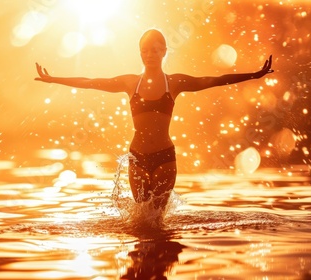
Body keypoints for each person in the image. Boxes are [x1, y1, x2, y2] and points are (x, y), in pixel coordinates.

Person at [35, 29, 273, 211]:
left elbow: (214, 79)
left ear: (164, 52)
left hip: (164, 158)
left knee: (155, 220)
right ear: (140, 53)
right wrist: (54, 79)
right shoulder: (130, 83)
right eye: (145, 50)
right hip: (137, 157)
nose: (150, 55)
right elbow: (90, 81)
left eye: (155, 50)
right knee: (140, 219)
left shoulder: (175, 82)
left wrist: (255, 74)